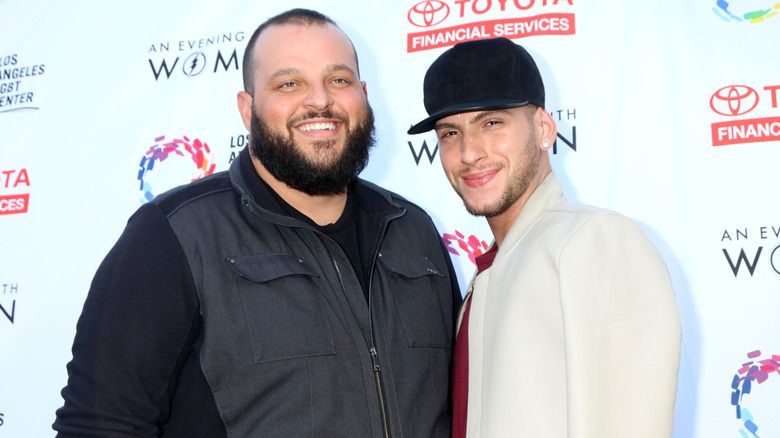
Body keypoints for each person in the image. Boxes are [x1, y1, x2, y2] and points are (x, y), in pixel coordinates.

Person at [54, 8, 460, 437]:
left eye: (338, 80)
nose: (320, 100)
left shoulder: (412, 229)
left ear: (362, 94)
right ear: (247, 110)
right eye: (289, 83)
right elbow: (98, 426)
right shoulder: (173, 236)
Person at [407, 37, 681, 438]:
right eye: (450, 133)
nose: (468, 153)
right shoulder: (485, 278)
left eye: (492, 123)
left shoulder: (593, 242)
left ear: (543, 128)